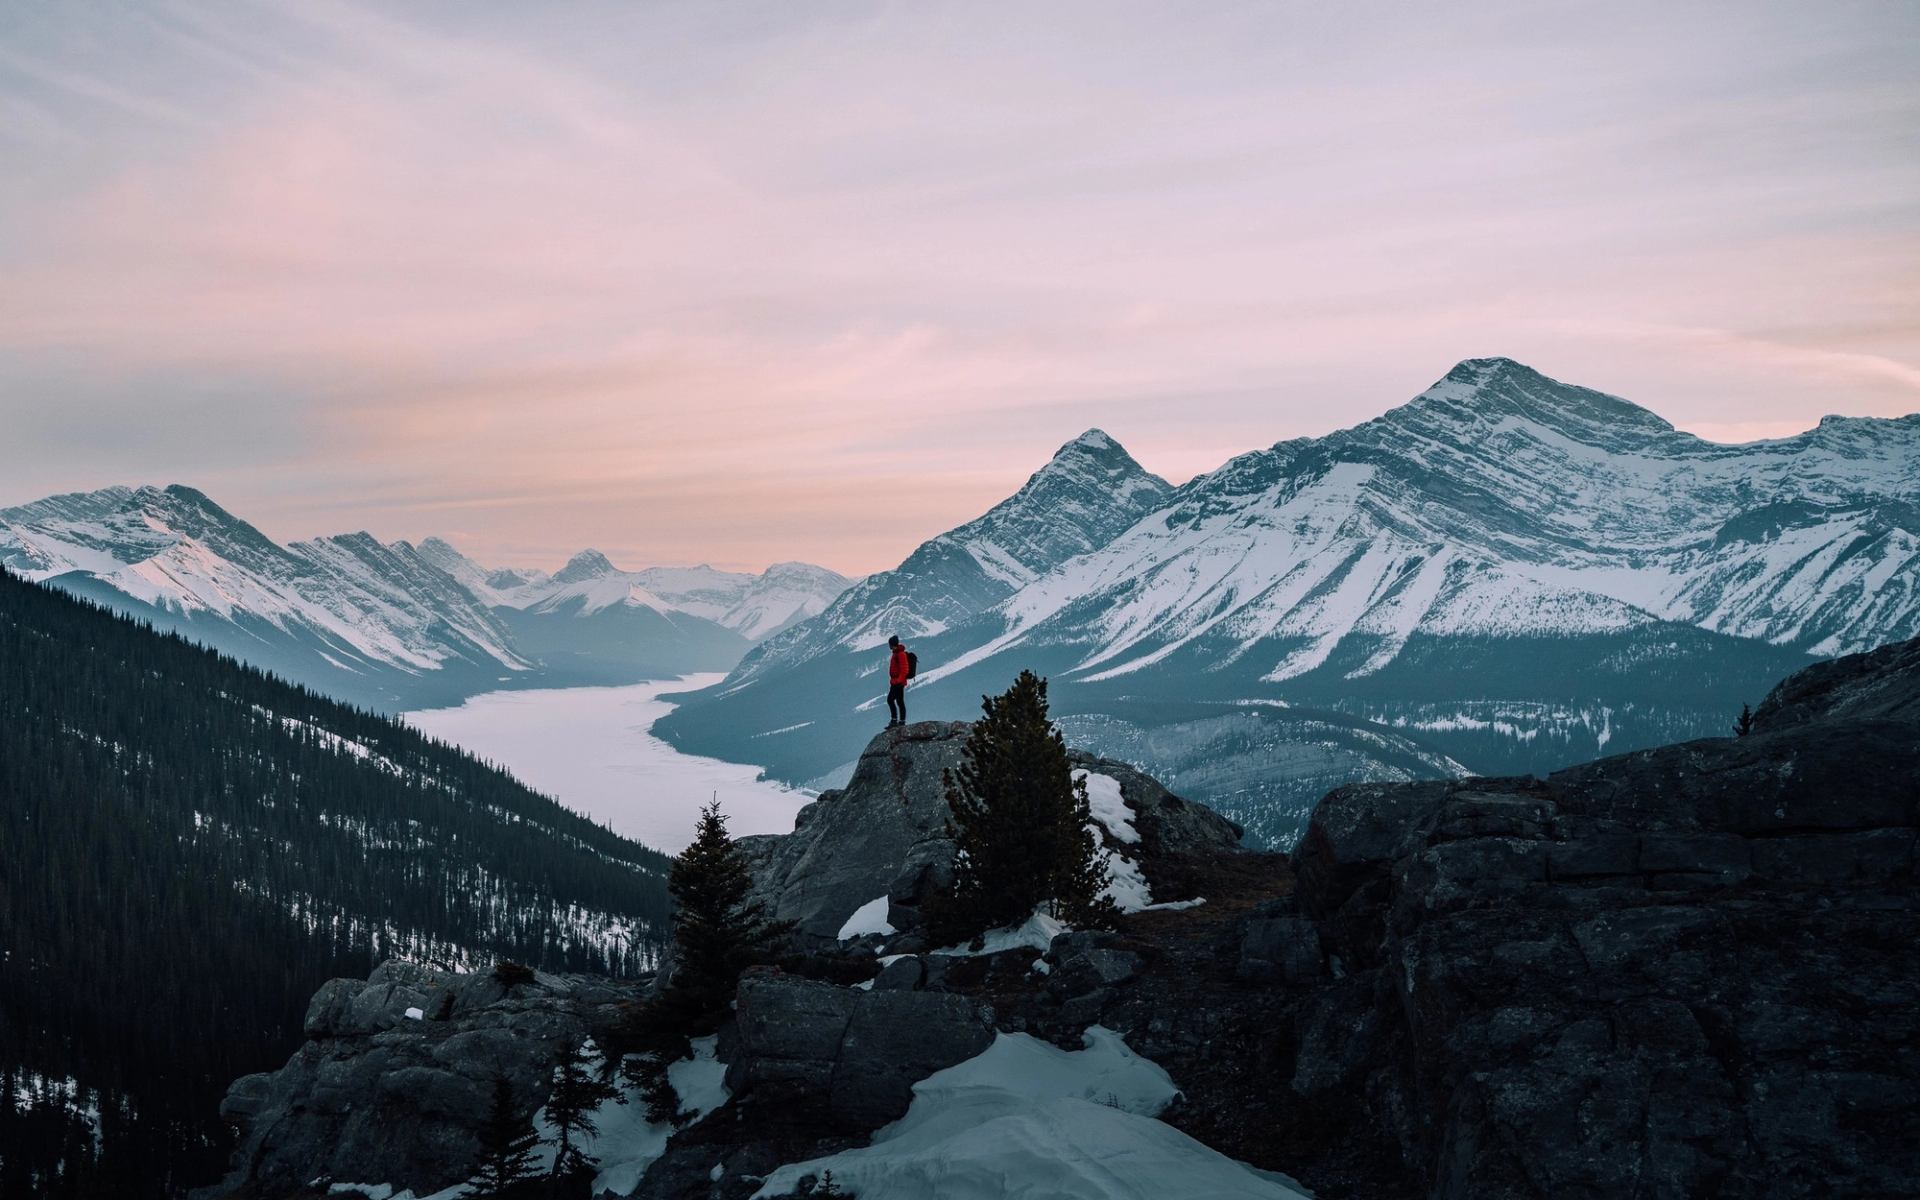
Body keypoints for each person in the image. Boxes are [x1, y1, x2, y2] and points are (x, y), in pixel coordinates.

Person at [886, 635, 910, 728]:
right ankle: (901, 721)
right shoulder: (896, 653)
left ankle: (894, 720)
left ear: (892, 644)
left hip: (898, 682)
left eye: (890, 644)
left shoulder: (900, 654)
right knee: (900, 701)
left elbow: (905, 669)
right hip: (896, 681)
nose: (889, 646)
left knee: (890, 700)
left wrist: (898, 680)